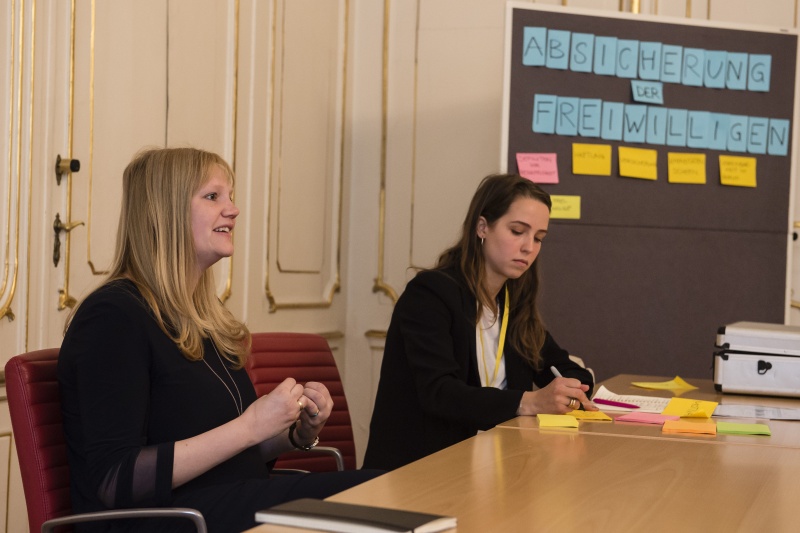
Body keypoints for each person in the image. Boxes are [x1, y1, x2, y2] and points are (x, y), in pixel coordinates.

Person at [58, 147, 382, 532]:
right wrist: (250, 425)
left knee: (385, 488)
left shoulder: (202, 318)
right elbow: (116, 480)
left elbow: (230, 454)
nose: (233, 209)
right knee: (373, 496)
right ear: (167, 212)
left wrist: (293, 433)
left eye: (231, 197)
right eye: (213, 197)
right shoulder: (113, 316)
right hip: (167, 520)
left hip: (219, 504)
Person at [362, 174, 596, 471]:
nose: (529, 248)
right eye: (517, 231)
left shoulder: (513, 304)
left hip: (498, 462)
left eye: (538, 238)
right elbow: (440, 394)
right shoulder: (431, 295)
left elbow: (567, 369)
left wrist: (572, 392)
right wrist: (531, 401)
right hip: (425, 467)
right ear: (482, 227)